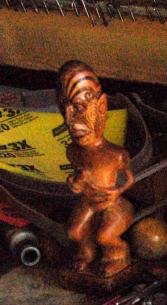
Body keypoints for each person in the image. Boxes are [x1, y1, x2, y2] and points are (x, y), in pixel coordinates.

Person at [58, 61, 135, 277]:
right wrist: (75, 184)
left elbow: (129, 178)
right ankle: (86, 253)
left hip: (114, 203)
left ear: (101, 107)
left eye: (79, 108)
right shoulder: (73, 151)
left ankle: (118, 256)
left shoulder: (116, 154)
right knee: (74, 231)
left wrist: (116, 192)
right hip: (88, 201)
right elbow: (77, 179)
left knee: (105, 236)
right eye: (64, 109)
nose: (70, 122)